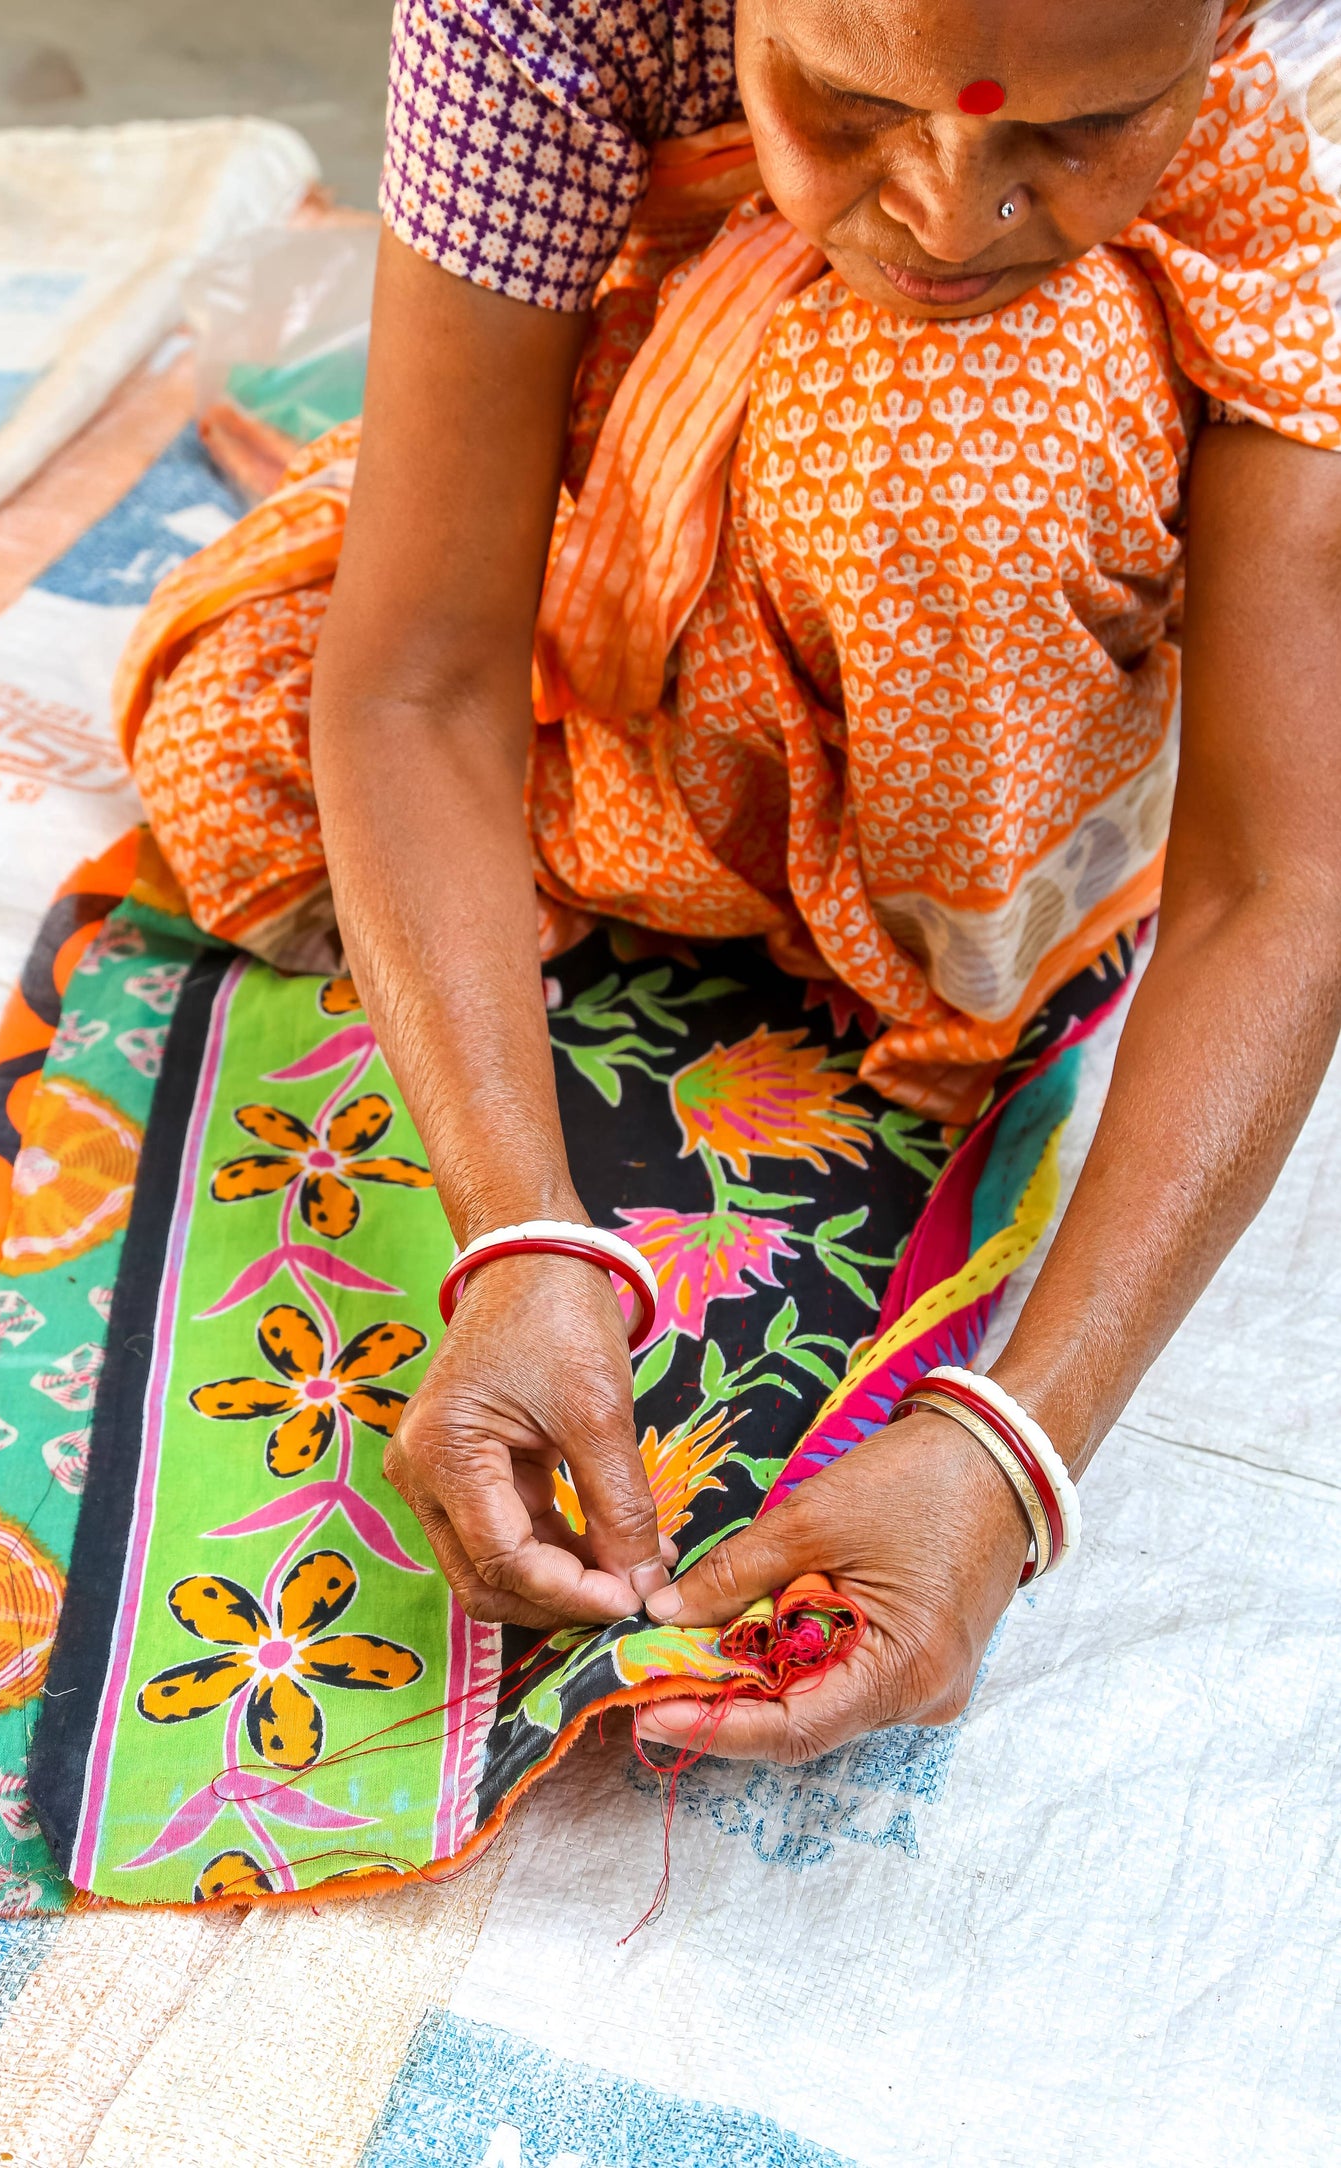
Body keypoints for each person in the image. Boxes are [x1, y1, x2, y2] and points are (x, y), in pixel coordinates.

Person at [121, 0, 1341, 1765]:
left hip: (993, 566)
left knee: (962, 447)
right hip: (667, 464)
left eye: (1078, 132)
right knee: (241, 758)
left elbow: (1279, 874)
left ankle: (970, 898)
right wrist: (516, 1237)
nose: (944, 209)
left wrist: (1017, 1452)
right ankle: (730, 801)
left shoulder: (1290, 91)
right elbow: (416, 678)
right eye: (848, 101)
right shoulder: (535, 18)